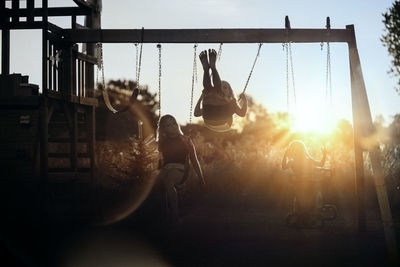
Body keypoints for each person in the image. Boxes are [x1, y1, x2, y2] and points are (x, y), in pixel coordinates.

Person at [157, 114, 205, 225]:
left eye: (173, 123)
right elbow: (159, 162)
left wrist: (201, 177)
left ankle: (175, 216)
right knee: (155, 184)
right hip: (166, 170)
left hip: (181, 171)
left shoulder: (186, 140)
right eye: (168, 125)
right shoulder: (162, 142)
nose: (172, 126)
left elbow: (194, 159)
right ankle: (165, 214)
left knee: (168, 181)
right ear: (164, 129)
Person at [194, 49, 247, 132]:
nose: (222, 88)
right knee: (208, 90)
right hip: (211, 117)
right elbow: (196, 113)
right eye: (221, 86)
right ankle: (210, 68)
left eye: (225, 87)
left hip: (223, 121)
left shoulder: (231, 103)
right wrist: (202, 98)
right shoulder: (217, 101)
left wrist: (244, 100)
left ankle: (208, 69)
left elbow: (242, 113)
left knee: (209, 91)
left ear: (230, 92)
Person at [282, 140, 327, 220]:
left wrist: (285, 154)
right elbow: (321, 164)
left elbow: (283, 167)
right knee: (315, 196)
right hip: (310, 184)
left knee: (297, 200)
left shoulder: (292, 162)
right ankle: (315, 211)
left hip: (298, 185)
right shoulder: (308, 159)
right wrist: (324, 155)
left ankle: (298, 215)